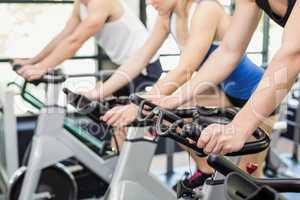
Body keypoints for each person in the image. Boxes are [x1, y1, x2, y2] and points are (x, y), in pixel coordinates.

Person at [101, 0, 273, 190]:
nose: (149, 2)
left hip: (255, 96)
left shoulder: (205, 9)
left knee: (247, 179)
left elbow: (185, 70)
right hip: (221, 92)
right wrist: (99, 92)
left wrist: (139, 105)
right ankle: (204, 170)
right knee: (166, 116)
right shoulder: (167, 16)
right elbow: (140, 57)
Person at [157, 0, 300, 156]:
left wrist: (239, 127)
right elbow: (229, 51)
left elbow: (292, 54)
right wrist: (175, 98)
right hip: (235, 92)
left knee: (247, 170)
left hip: (257, 90)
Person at [14, 0, 162, 98]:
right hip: (125, 67)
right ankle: (114, 147)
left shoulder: (102, 3)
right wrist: (33, 62)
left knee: (128, 122)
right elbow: (65, 35)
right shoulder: (80, 4)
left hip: (144, 67)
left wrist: (42, 68)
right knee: (114, 119)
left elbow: (75, 41)